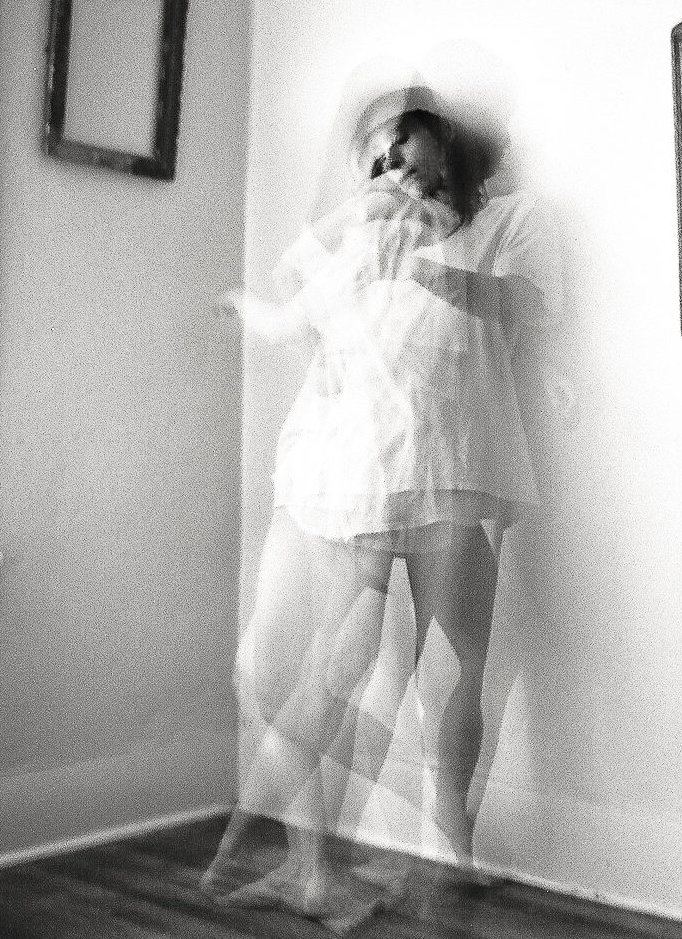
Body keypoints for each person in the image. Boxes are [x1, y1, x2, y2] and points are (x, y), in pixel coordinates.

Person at [204, 75, 567, 934]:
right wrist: (274, 295)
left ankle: (451, 845)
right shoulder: (363, 233)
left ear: (445, 141)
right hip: (360, 485)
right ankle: (309, 868)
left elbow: (521, 305)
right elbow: (297, 321)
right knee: (336, 673)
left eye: (404, 140)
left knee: (463, 669)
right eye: (377, 150)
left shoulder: (510, 220)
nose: (392, 159)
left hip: (457, 476)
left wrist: (426, 248)